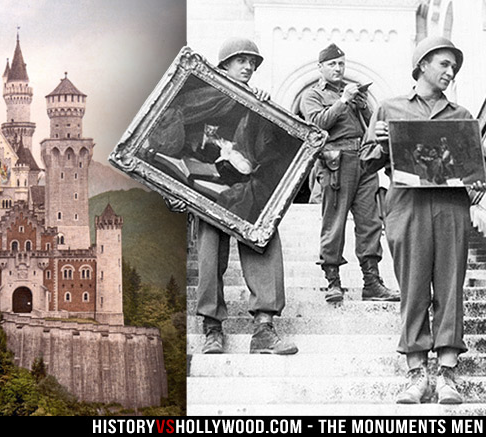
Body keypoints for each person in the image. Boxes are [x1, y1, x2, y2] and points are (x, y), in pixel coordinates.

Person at [360, 35, 486, 405]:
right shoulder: (389, 108)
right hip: (407, 208)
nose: (450, 72)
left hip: (451, 209)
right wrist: (379, 141)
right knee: (413, 289)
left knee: (449, 288)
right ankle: (417, 375)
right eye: (444, 64)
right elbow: (367, 164)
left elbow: (475, 172)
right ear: (423, 65)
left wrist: (477, 182)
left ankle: (447, 375)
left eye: (454, 67)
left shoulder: (461, 116)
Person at [168, 37, 298, 355]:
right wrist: (171, 189)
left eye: (253, 63)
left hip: (248, 189)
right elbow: (170, 144)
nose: (249, 67)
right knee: (210, 257)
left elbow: (273, 152)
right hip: (206, 188)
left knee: (264, 242)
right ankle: (212, 329)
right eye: (242, 60)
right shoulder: (195, 100)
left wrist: (263, 110)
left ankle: (264, 329)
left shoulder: (256, 103)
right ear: (223, 64)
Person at [301, 43, 399, 303]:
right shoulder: (312, 95)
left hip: (364, 161)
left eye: (341, 63)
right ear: (320, 68)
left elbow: (371, 126)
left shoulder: (352, 95)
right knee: (334, 222)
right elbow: (316, 125)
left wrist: (363, 105)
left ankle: (372, 283)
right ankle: (333, 282)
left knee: (370, 223)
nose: (338, 68)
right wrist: (343, 100)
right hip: (335, 162)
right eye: (332, 64)